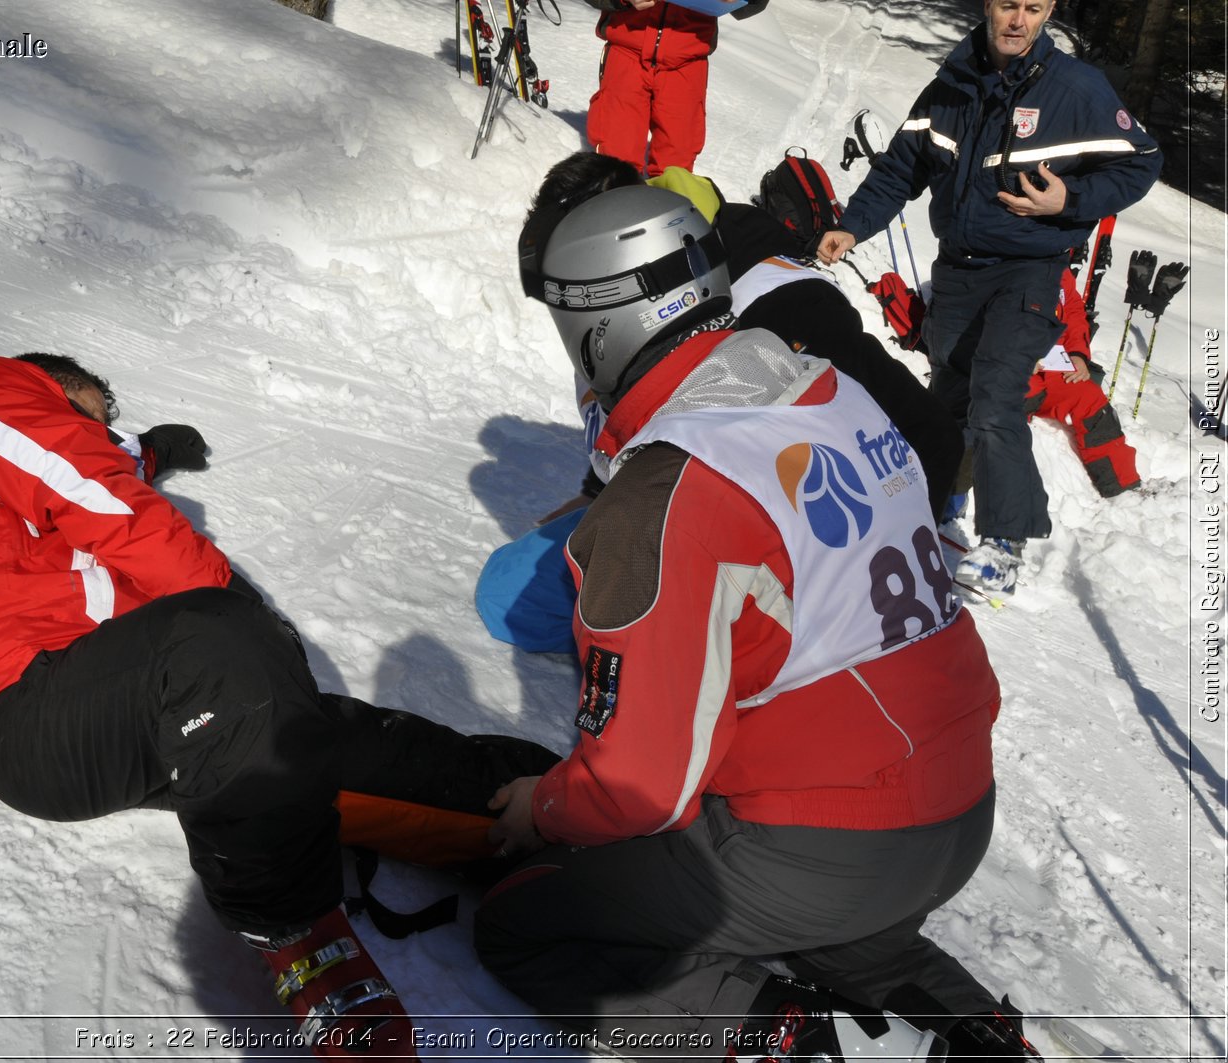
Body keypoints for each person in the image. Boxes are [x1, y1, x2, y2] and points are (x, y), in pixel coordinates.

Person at [476, 183, 1040, 1061]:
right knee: (844, 929)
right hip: (955, 804)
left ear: (600, 327)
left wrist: (543, 811)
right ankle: (973, 1039)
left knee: (527, 920)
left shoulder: (664, 491)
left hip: (834, 833)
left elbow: (643, 786)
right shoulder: (816, 383)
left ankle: (793, 1039)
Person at [0, 353, 555, 1060]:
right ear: (59, 381)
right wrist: (241, 609)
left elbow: (94, 463)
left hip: (134, 704)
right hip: (31, 710)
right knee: (223, 640)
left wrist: (154, 450)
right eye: (99, 411)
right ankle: (291, 926)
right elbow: (95, 490)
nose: (107, 429)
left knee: (323, 744)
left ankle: (553, 810)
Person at [476, 152, 963, 653]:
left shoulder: (761, 287)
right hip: (700, 515)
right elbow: (641, 415)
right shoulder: (646, 286)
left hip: (783, 561)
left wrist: (887, 577)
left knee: (521, 597)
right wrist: (599, 493)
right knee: (512, 585)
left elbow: (929, 434)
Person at [817, 0, 1162, 594]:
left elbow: (1142, 164)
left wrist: (1068, 202)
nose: (1018, 20)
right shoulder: (952, 83)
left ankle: (1005, 541)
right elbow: (902, 168)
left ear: (1049, 9)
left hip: (1031, 269)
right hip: (958, 271)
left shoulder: (1076, 89)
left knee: (998, 395)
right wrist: (855, 224)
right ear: (988, 5)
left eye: (1033, 7)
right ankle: (941, 498)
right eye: (1008, 4)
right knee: (949, 391)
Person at [1021, 268, 1140, 497]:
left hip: (1054, 365)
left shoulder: (1059, 268)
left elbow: (1074, 313)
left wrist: (1078, 353)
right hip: (1011, 367)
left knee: (1091, 400)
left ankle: (1121, 488)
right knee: (1009, 401)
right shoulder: (1005, 260)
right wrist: (1017, 356)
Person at [584, 0, 719, 176]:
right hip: (627, 49)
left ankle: (666, 201)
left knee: (675, 168)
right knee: (617, 164)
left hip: (688, 58)